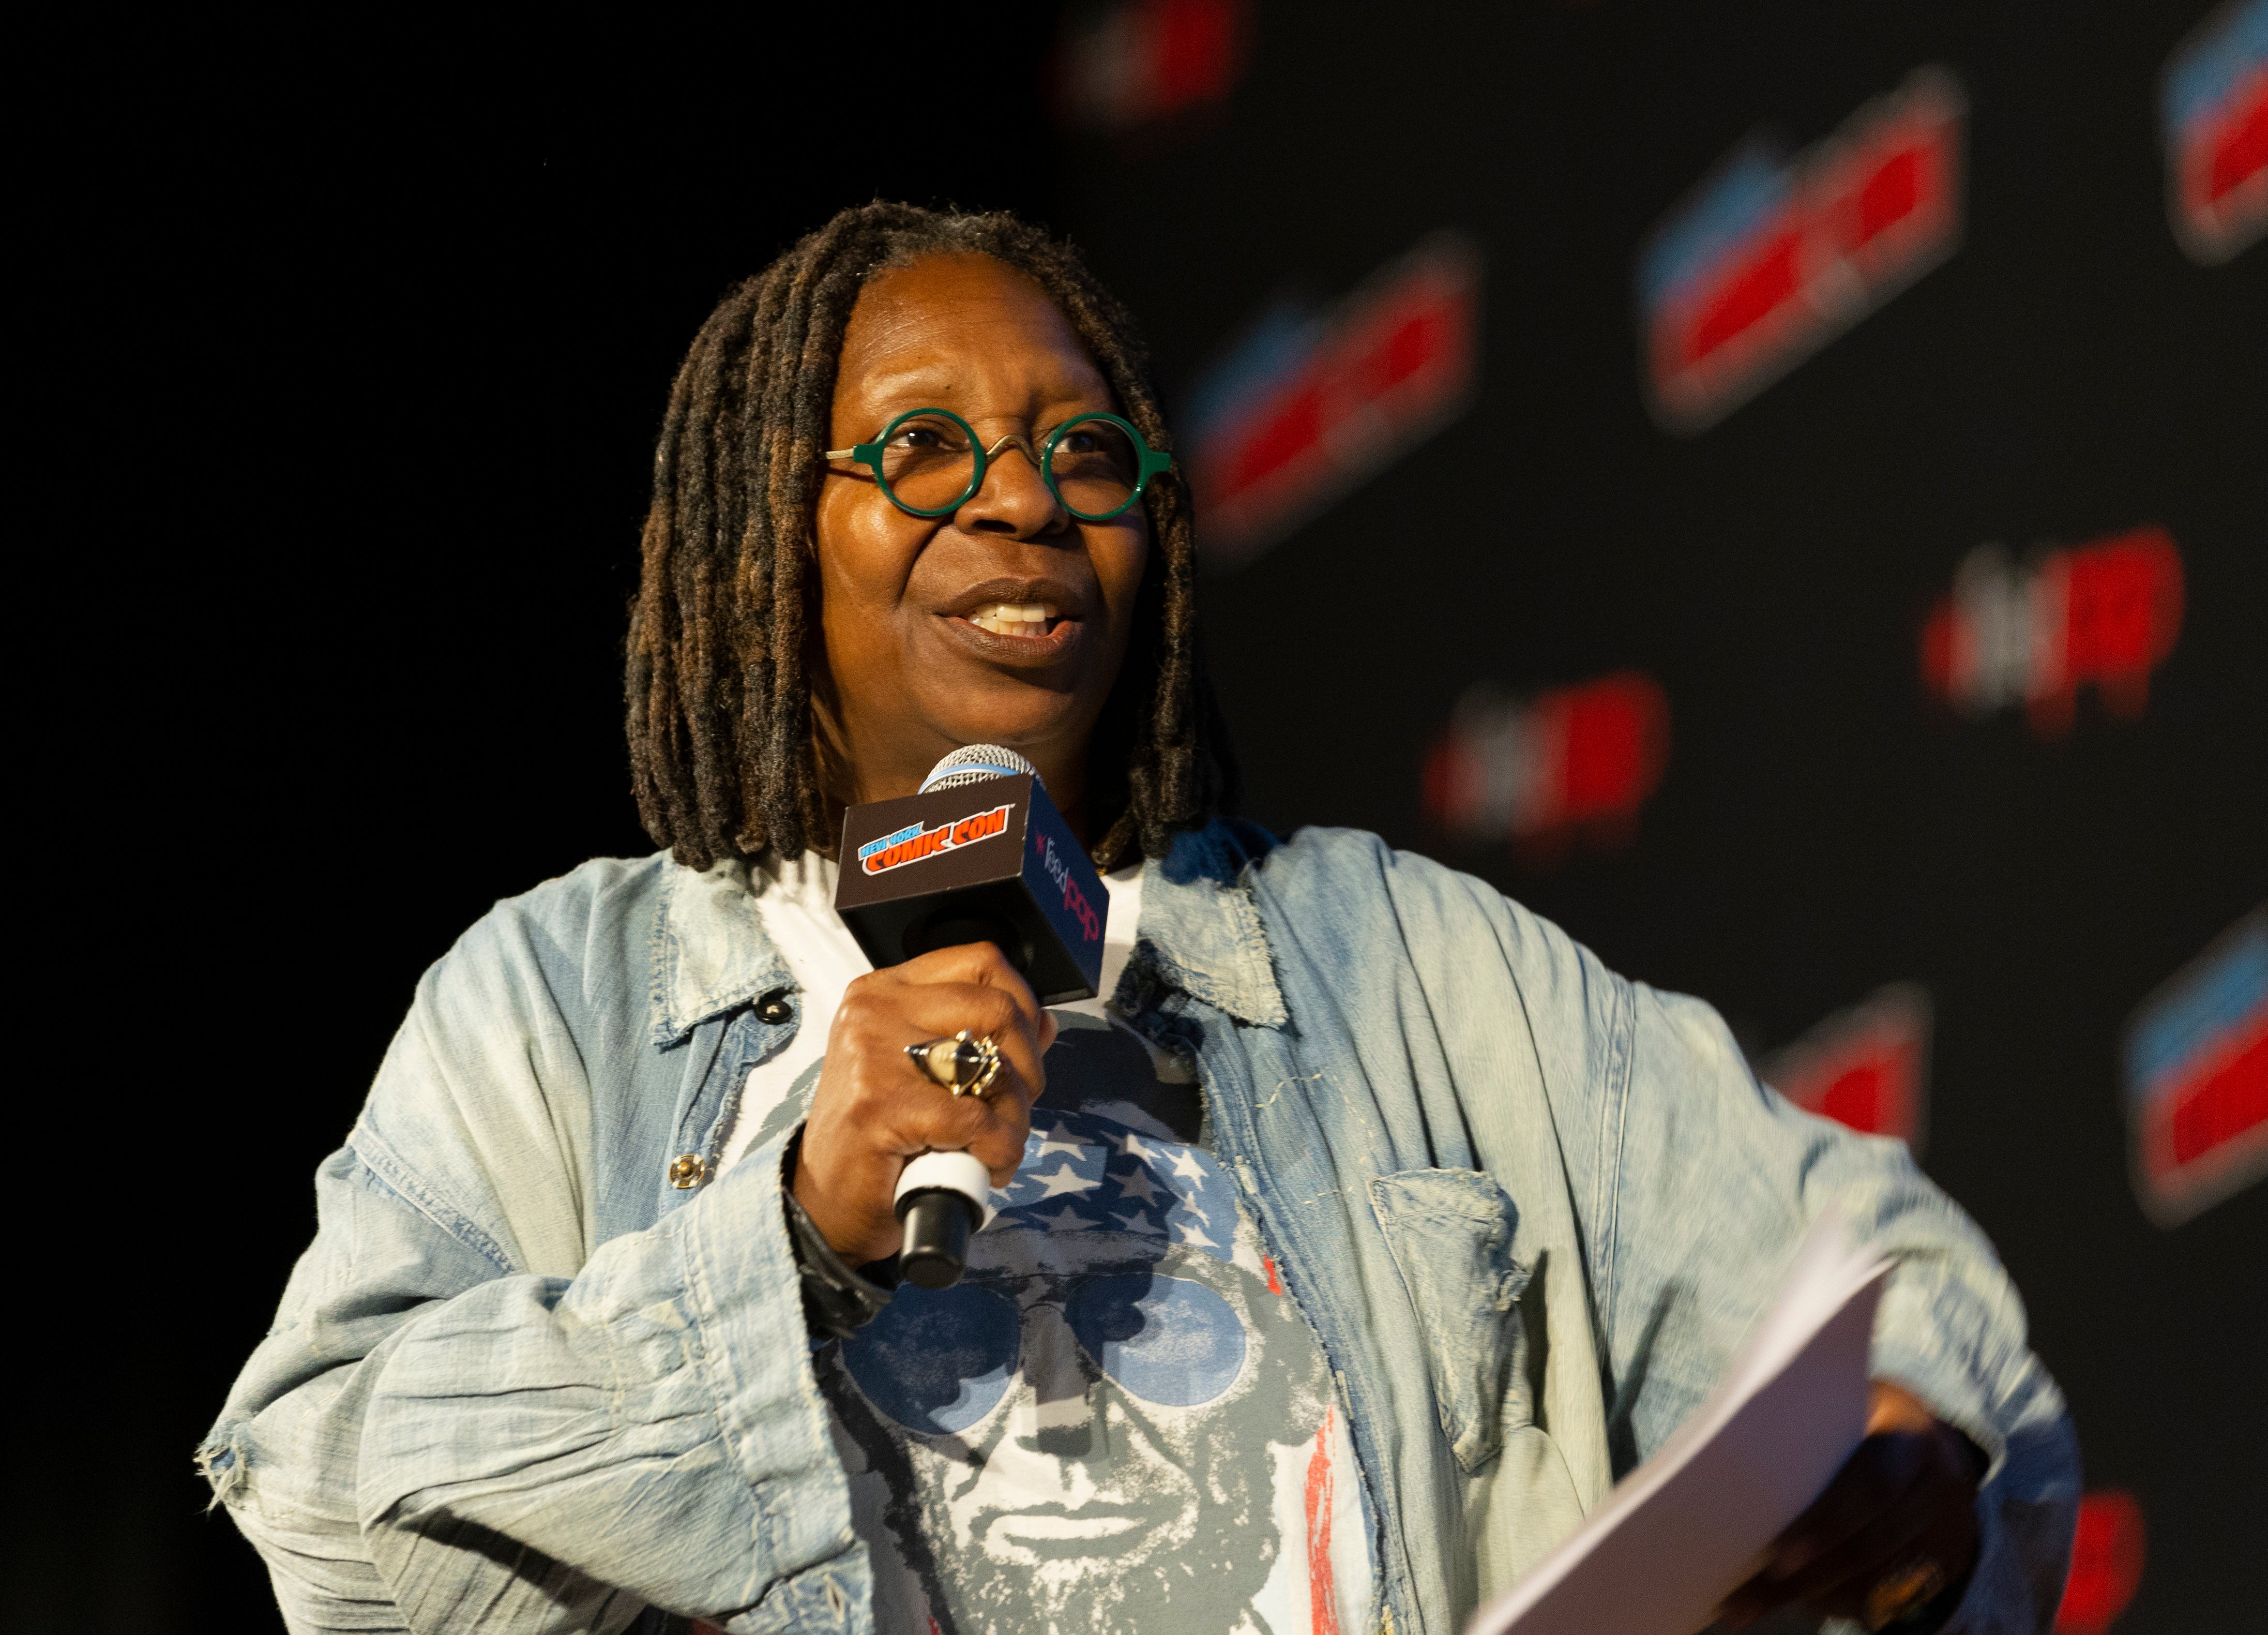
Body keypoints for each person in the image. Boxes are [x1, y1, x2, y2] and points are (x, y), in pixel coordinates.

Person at [200, 203, 2077, 1635]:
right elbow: (331, 1519)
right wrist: (780, 1246)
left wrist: (1915, 1463)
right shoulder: (563, 999)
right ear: (770, 528)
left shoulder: (1396, 959)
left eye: (1086, 454)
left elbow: (1865, 1269)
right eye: (921, 451)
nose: (1022, 499)